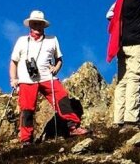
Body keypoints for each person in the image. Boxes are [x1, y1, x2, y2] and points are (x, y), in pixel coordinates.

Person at [10, 10, 88, 146]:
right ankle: (26, 139)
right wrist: (13, 79)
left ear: (43, 26)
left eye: (39, 24)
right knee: (27, 108)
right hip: (27, 80)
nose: (37, 26)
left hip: (47, 77)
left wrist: (56, 68)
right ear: (30, 25)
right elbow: (14, 61)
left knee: (62, 97)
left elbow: (59, 59)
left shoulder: (52, 40)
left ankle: (73, 127)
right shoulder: (22, 41)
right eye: (34, 23)